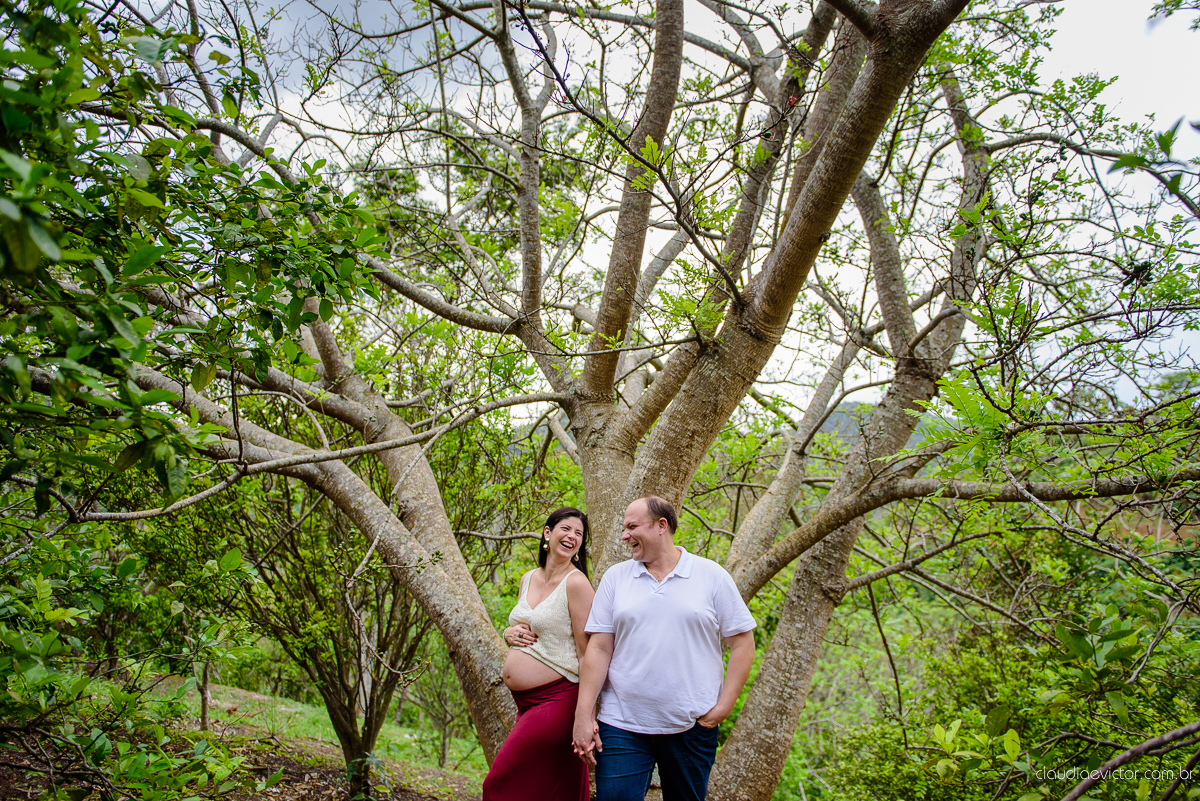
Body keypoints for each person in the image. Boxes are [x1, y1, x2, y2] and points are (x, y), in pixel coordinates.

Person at [572, 496, 756, 801]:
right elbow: (599, 649)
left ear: (661, 526)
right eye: (623, 527)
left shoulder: (711, 576)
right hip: (622, 724)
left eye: (632, 526)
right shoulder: (616, 579)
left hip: (691, 727)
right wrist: (583, 714)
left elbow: (742, 643)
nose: (624, 535)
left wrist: (723, 708)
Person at [482, 507, 595, 801]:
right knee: (551, 788)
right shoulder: (528, 577)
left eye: (579, 533)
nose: (572, 536)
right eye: (566, 529)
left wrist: (586, 714)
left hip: (557, 699)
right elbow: (528, 626)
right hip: (525, 702)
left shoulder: (577, 584)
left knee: (498, 785)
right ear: (548, 532)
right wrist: (508, 634)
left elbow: (588, 654)